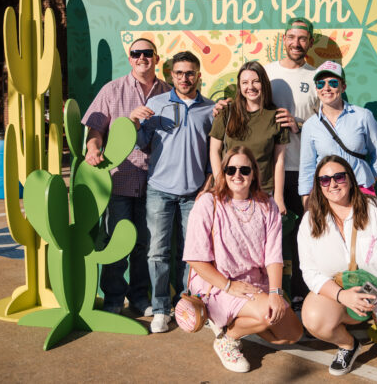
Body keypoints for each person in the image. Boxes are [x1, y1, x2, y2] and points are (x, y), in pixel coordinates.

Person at [298, 155, 377, 381]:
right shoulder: (310, 221)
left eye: (339, 176)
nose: (333, 184)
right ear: (318, 186)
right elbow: (310, 271)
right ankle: (348, 346)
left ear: (350, 178)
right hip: (344, 291)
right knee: (314, 319)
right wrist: (341, 296)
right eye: (325, 180)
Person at [183, 146, 303, 373]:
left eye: (244, 170)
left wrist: (276, 293)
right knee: (267, 316)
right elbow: (195, 259)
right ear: (224, 172)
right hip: (217, 283)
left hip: (254, 283)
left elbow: (274, 255)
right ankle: (228, 338)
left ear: (254, 173)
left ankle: (233, 321)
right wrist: (229, 285)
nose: (237, 175)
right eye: (231, 169)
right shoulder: (209, 203)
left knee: (291, 334)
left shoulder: (268, 204)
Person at [82, 38, 171, 316]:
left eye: (147, 53)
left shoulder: (169, 92)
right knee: (116, 242)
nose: (141, 57)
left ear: (156, 58)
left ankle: (139, 299)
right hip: (120, 180)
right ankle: (112, 299)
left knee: (146, 246)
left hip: (156, 183)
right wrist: (93, 147)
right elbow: (95, 129)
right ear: (129, 58)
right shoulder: (112, 90)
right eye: (136, 53)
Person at [129, 51, 215, 333]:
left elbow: (218, 153)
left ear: (198, 75)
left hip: (195, 193)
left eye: (190, 72)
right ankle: (162, 309)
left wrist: (209, 184)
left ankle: (186, 305)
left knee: (191, 255)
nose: (184, 78)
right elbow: (142, 145)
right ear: (172, 76)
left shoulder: (210, 110)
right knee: (157, 252)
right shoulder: (156, 103)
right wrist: (135, 123)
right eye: (179, 73)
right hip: (159, 190)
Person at [265, 16, 320, 308]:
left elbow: (326, 124)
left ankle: (301, 292)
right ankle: (267, 291)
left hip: (302, 169)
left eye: (302, 38)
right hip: (268, 169)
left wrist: (300, 124)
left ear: (310, 42)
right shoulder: (267, 73)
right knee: (268, 235)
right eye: (291, 37)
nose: (296, 43)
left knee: (305, 235)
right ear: (283, 39)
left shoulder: (316, 77)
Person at [299, 61, 377, 206]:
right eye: (321, 84)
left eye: (333, 83)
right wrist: (307, 203)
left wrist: (371, 178)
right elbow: (307, 167)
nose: (326, 88)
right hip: (327, 193)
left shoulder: (363, 116)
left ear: (343, 86)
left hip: (360, 188)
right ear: (316, 88)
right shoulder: (310, 125)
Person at [209, 61, 289, 213]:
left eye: (255, 81)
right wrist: (220, 183)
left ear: (263, 83)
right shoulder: (226, 112)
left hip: (262, 192)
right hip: (231, 191)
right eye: (245, 82)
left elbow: (279, 161)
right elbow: (214, 150)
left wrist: (278, 197)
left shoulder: (277, 116)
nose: (250, 87)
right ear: (239, 87)